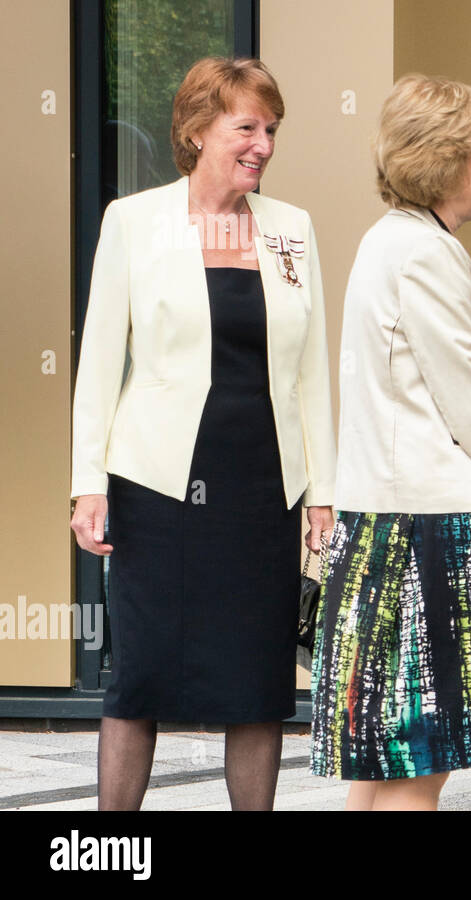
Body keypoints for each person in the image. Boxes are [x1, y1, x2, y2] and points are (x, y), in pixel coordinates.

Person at [69, 57, 336, 810]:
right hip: (157, 483)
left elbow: (312, 370)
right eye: (245, 127)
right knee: (140, 675)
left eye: (271, 129)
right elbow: (96, 363)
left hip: (263, 486)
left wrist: (324, 490)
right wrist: (88, 483)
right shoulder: (134, 221)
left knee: (257, 683)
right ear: (195, 132)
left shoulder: (292, 230)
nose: (263, 144)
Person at [310, 75, 471, 811]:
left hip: (393, 522)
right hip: (427, 531)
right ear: (443, 159)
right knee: (422, 754)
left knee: (389, 758)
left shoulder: (399, 243)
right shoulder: (421, 253)